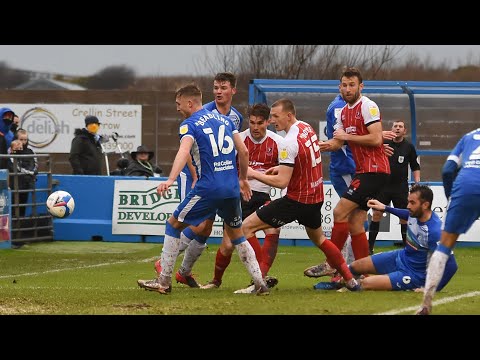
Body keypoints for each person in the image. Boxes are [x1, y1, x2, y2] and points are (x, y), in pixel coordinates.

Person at [137, 84, 269, 295]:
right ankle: (260, 284)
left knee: (173, 225)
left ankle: (163, 282)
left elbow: (183, 151)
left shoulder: (188, 125)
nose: (178, 109)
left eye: (179, 104)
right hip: (231, 188)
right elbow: (243, 151)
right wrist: (243, 178)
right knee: (237, 235)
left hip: (208, 187)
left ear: (190, 103)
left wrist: (171, 179)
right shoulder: (226, 120)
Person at [235, 98, 361, 294]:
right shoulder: (305, 127)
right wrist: (281, 166)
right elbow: (304, 157)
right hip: (315, 198)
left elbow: (282, 182)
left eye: (275, 117)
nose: (272, 121)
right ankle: (351, 280)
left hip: (296, 201)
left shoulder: (287, 142)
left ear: (289, 115)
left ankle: (259, 283)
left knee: (245, 228)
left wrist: (253, 174)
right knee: (319, 239)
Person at [153, 72, 244, 287]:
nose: (218, 92)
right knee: (198, 223)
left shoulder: (235, 117)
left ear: (233, 91)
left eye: (223, 88)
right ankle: (166, 264)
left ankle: (183, 272)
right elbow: (189, 151)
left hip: (218, 178)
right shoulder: (205, 111)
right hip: (198, 177)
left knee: (206, 228)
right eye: (215, 88)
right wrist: (196, 178)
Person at [304, 67, 391, 279]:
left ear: (361, 86)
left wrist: (348, 137)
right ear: (339, 87)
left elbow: (376, 139)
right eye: (344, 85)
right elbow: (339, 141)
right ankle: (364, 274)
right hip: (365, 171)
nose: (348, 88)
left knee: (338, 213)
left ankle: (332, 263)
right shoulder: (342, 112)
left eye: (352, 85)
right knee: (355, 222)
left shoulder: (368, 106)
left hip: (374, 170)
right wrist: (320, 146)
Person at [200, 103, 284, 290]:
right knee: (227, 246)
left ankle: (260, 277)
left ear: (268, 122)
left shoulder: (278, 142)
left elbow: (285, 171)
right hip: (238, 197)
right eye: (252, 122)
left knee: (273, 230)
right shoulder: (239, 139)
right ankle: (216, 281)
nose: (255, 127)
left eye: (260, 123)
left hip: (262, 196)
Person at [313, 184, 458, 292]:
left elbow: (451, 266)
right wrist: (385, 208)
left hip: (413, 274)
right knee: (355, 266)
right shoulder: (414, 213)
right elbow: (405, 213)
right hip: (400, 257)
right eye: (408, 201)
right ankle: (336, 284)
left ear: (425, 205)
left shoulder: (434, 231)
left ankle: (350, 286)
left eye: (412, 203)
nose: (408, 206)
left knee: (365, 284)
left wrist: (432, 289)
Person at [416, 127, 480, 315]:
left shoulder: (468, 137)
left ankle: (426, 303)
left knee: (445, 245)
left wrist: (451, 198)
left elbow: (447, 170)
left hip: (466, 185)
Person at [368, 120, 420, 252]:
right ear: (391, 129)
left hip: (400, 187)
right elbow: (371, 158)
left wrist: (417, 182)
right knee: (377, 215)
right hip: (382, 186)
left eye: (400, 127)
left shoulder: (409, 147)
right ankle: (369, 248)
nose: (397, 128)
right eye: (395, 126)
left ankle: (406, 249)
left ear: (404, 131)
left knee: (404, 217)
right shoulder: (383, 144)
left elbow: (415, 166)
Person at [11, 129, 38, 218]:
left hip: (26, 184)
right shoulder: (11, 151)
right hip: (15, 184)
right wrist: (30, 172)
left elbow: (35, 164)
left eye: (25, 139)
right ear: (16, 139)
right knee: (14, 207)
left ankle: (20, 225)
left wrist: (32, 172)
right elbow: (15, 165)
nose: (23, 142)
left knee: (23, 207)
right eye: (21, 139)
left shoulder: (31, 151)